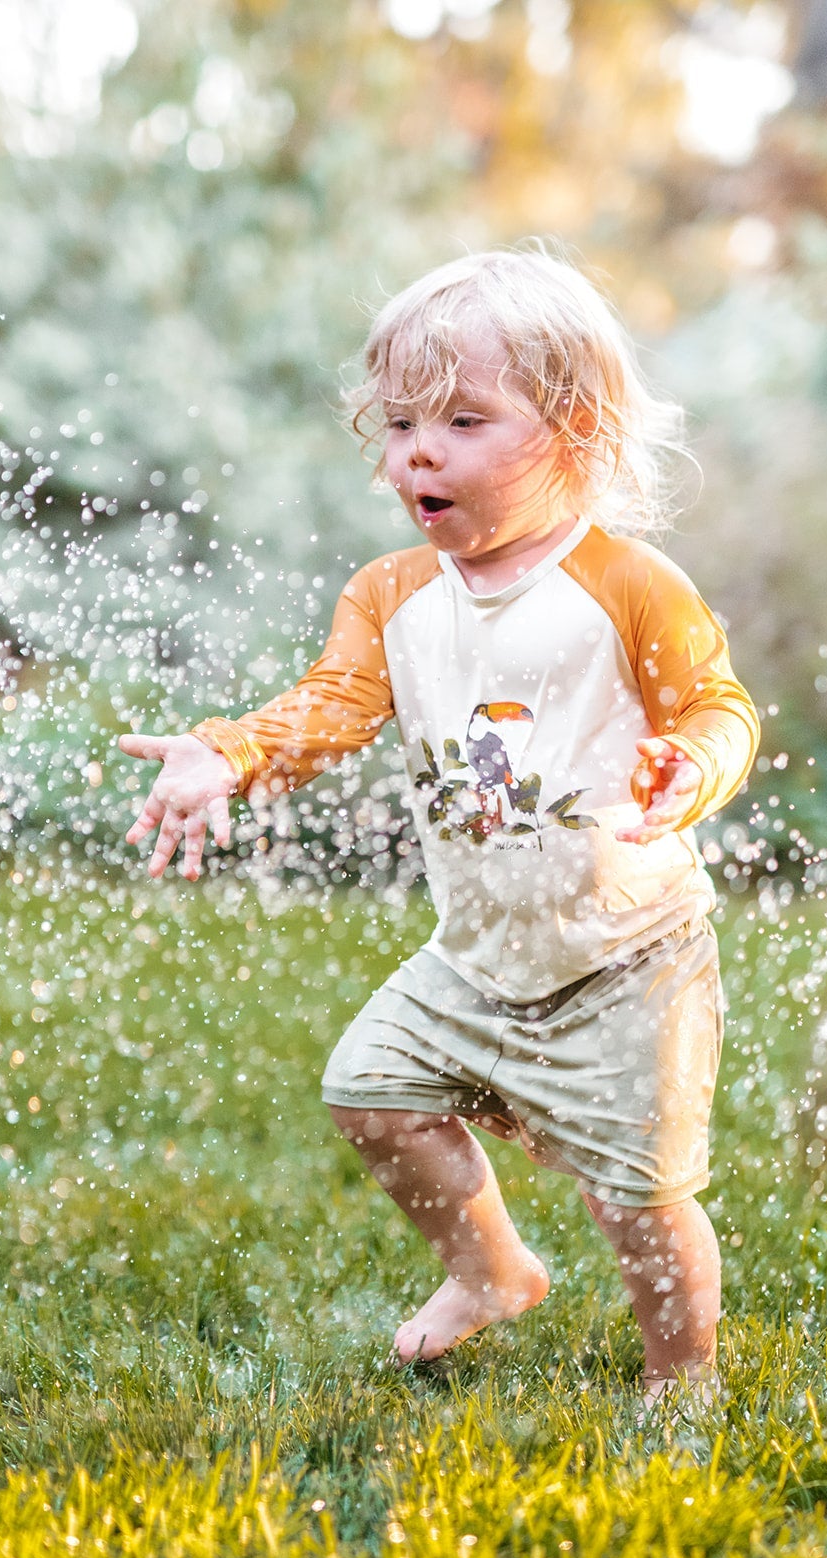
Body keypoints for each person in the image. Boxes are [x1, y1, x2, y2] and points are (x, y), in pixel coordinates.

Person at [118, 245, 759, 1408]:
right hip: (474, 954)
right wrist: (231, 751)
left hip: (627, 957)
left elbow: (718, 705)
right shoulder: (389, 592)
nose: (419, 447)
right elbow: (333, 705)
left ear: (571, 430)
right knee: (368, 1090)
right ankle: (492, 1269)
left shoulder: (626, 584)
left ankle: (682, 1377)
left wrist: (693, 765)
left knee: (639, 1196)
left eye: (463, 418)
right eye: (402, 418)